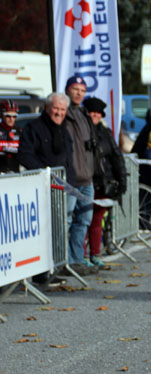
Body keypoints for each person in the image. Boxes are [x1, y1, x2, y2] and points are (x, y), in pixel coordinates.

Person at [17, 93, 75, 286]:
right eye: (55, 109)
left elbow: (69, 158)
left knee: (60, 228)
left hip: (64, 187)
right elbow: (25, 155)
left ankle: (55, 266)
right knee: (45, 231)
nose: (59, 113)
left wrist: (71, 181)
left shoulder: (65, 129)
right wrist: (45, 174)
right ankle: (41, 274)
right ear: (46, 108)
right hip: (42, 188)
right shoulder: (33, 129)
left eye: (62, 110)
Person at [83, 97, 127, 268]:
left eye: (97, 113)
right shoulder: (81, 131)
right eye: (91, 112)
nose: (94, 115)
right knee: (83, 220)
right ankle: (81, 255)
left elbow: (117, 157)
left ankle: (95, 254)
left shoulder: (106, 133)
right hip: (86, 181)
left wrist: (121, 180)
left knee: (96, 221)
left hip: (103, 183)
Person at [64, 76, 99, 276]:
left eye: (82, 90)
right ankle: (67, 260)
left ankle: (78, 259)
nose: (79, 93)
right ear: (68, 90)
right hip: (70, 178)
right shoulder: (63, 113)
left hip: (87, 177)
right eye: (75, 89)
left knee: (84, 220)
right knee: (67, 220)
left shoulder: (84, 113)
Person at [0, 99, 21, 173]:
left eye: (14, 116)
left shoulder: (20, 131)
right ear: (1, 115)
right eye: (8, 116)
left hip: (15, 171)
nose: (11, 119)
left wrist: (6, 149)